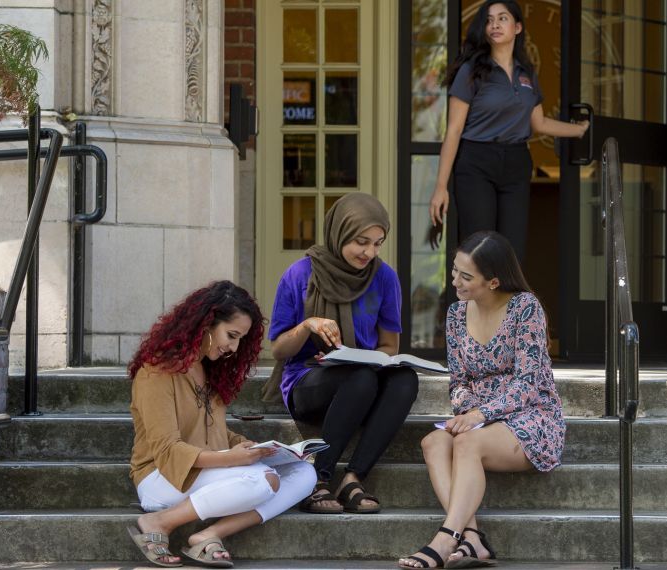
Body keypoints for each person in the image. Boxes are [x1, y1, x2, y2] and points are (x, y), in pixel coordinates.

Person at [399, 231, 566, 569]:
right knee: (433, 442)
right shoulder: (455, 315)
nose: (454, 281)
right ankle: (473, 538)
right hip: (480, 418)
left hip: (531, 416)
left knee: (466, 443)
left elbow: (528, 382)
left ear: (493, 281)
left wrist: (480, 414)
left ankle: (445, 538)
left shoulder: (525, 307)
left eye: (466, 276)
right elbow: (459, 381)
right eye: (454, 270)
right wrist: (468, 411)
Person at [126, 280, 316, 568]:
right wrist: (232, 459)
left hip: (206, 473)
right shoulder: (156, 371)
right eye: (231, 335)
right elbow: (166, 450)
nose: (234, 347)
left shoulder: (209, 370)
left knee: (304, 473)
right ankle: (160, 521)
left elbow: (211, 431)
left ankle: (209, 534)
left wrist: (246, 446)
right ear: (206, 324)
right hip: (161, 477)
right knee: (263, 480)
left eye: (241, 339)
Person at [269, 192, 419, 515]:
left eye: (378, 243)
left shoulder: (385, 278)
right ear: (340, 233)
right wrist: (307, 325)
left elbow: (389, 346)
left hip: (362, 380)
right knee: (360, 378)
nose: (370, 252)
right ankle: (318, 477)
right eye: (361, 242)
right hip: (309, 381)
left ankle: (353, 478)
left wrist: (367, 359)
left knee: (405, 378)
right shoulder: (299, 274)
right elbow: (278, 349)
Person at [427, 0, 589, 261]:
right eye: (489, 20)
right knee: (480, 250)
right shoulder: (471, 71)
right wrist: (440, 186)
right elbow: (454, 131)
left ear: (517, 27)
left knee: (511, 252)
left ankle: (506, 292)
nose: (495, 25)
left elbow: (539, 123)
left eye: (502, 18)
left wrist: (579, 130)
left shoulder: (527, 73)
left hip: (516, 162)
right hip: (476, 163)